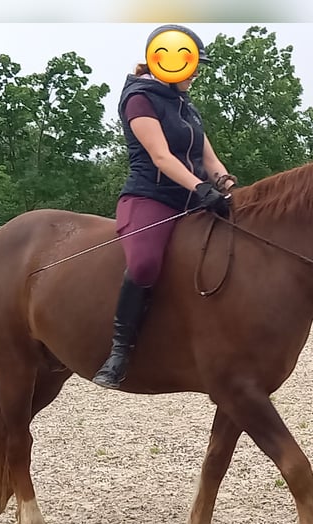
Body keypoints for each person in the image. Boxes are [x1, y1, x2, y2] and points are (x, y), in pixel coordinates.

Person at [92, 24, 236, 390]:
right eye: (193, 64)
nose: (197, 72)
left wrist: (228, 187)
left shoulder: (187, 106)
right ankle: (120, 352)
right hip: (150, 198)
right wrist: (201, 188)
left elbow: (209, 158)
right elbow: (161, 157)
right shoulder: (139, 99)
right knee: (143, 265)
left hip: (193, 198)